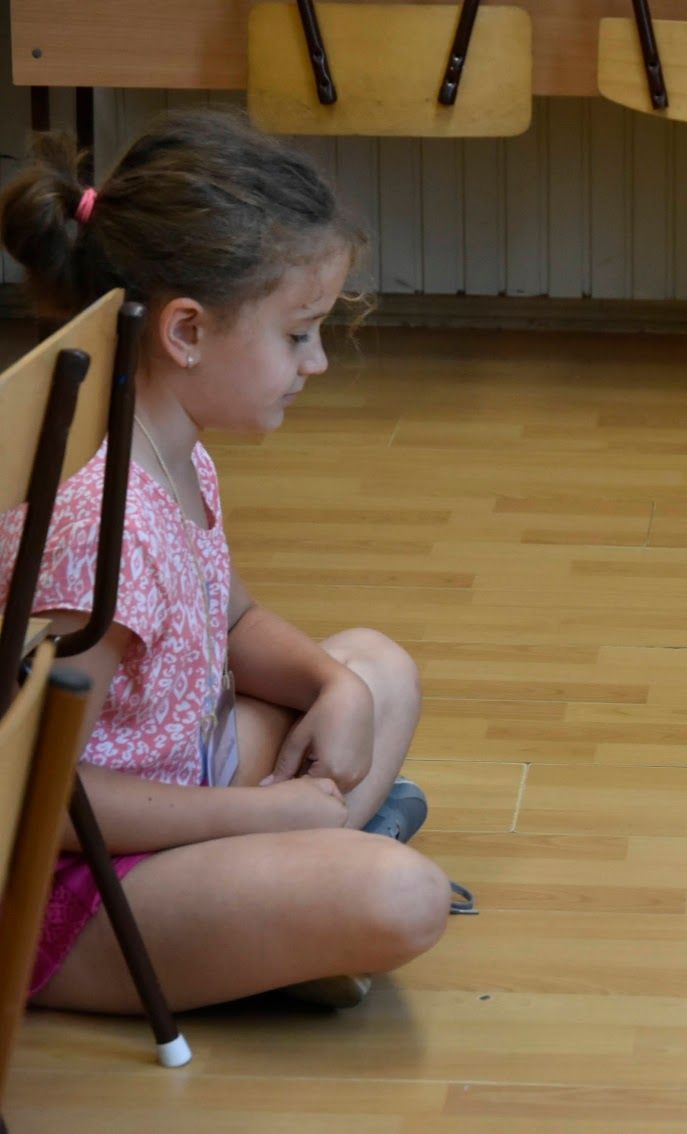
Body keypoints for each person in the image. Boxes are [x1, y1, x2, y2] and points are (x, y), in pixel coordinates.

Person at [0, 109, 451, 1013]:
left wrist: (334, 686)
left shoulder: (172, 447)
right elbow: (39, 792)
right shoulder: (101, 529)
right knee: (405, 898)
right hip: (76, 887)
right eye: (297, 334)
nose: (316, 364)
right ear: (187, 333)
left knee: (377, 671)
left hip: (178, 785)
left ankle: (290, 906)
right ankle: (303, 900)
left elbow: (232, 618)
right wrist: (262, 814)